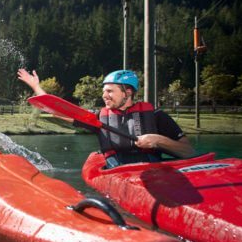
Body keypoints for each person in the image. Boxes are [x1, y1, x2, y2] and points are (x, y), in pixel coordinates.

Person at [17, 69, 194, 168]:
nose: (104, 96)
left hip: (155, 174)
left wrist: (158, 140)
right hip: (117, 175)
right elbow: (59, 110)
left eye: (110, 91)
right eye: (103, 91)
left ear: (128, 92)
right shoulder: (98, 119)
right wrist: (36, 86)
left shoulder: (157, 117)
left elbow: (187, 152)